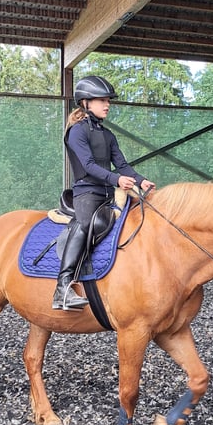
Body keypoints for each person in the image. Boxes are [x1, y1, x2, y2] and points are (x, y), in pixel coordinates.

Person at [53, 75, 155, 310]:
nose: (107, 104)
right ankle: (62, 288)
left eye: (108, 100)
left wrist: (141, 180)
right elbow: (88, 165)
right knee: (86, 224)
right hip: (86, 193)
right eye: (101, 100)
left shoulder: (108, 135)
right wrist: (117, 179)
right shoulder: (76, 131)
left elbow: (123, 165)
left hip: (109, 193)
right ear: (85, 102)